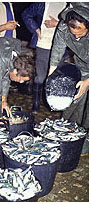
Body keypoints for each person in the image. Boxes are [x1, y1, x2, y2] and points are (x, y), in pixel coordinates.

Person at [48, 3, 89, 153]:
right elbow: (56, 52)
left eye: (81, 34)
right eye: (74, 34)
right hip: (82, 66)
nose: (76, 37)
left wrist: (88, 82)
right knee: (74, 99)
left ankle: (87, 140)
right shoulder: (64, 27)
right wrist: (50, 78)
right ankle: (68, 130)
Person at [22, 2, 67, 113]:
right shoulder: (43, 3)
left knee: (56, 78)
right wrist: (36, 29)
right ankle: (36, 103)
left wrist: (57, 24)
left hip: (61, 46)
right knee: (40, 77)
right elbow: (26, 14)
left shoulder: (70, 4)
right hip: (43, 44)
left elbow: (77, 24)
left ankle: (52, 104)